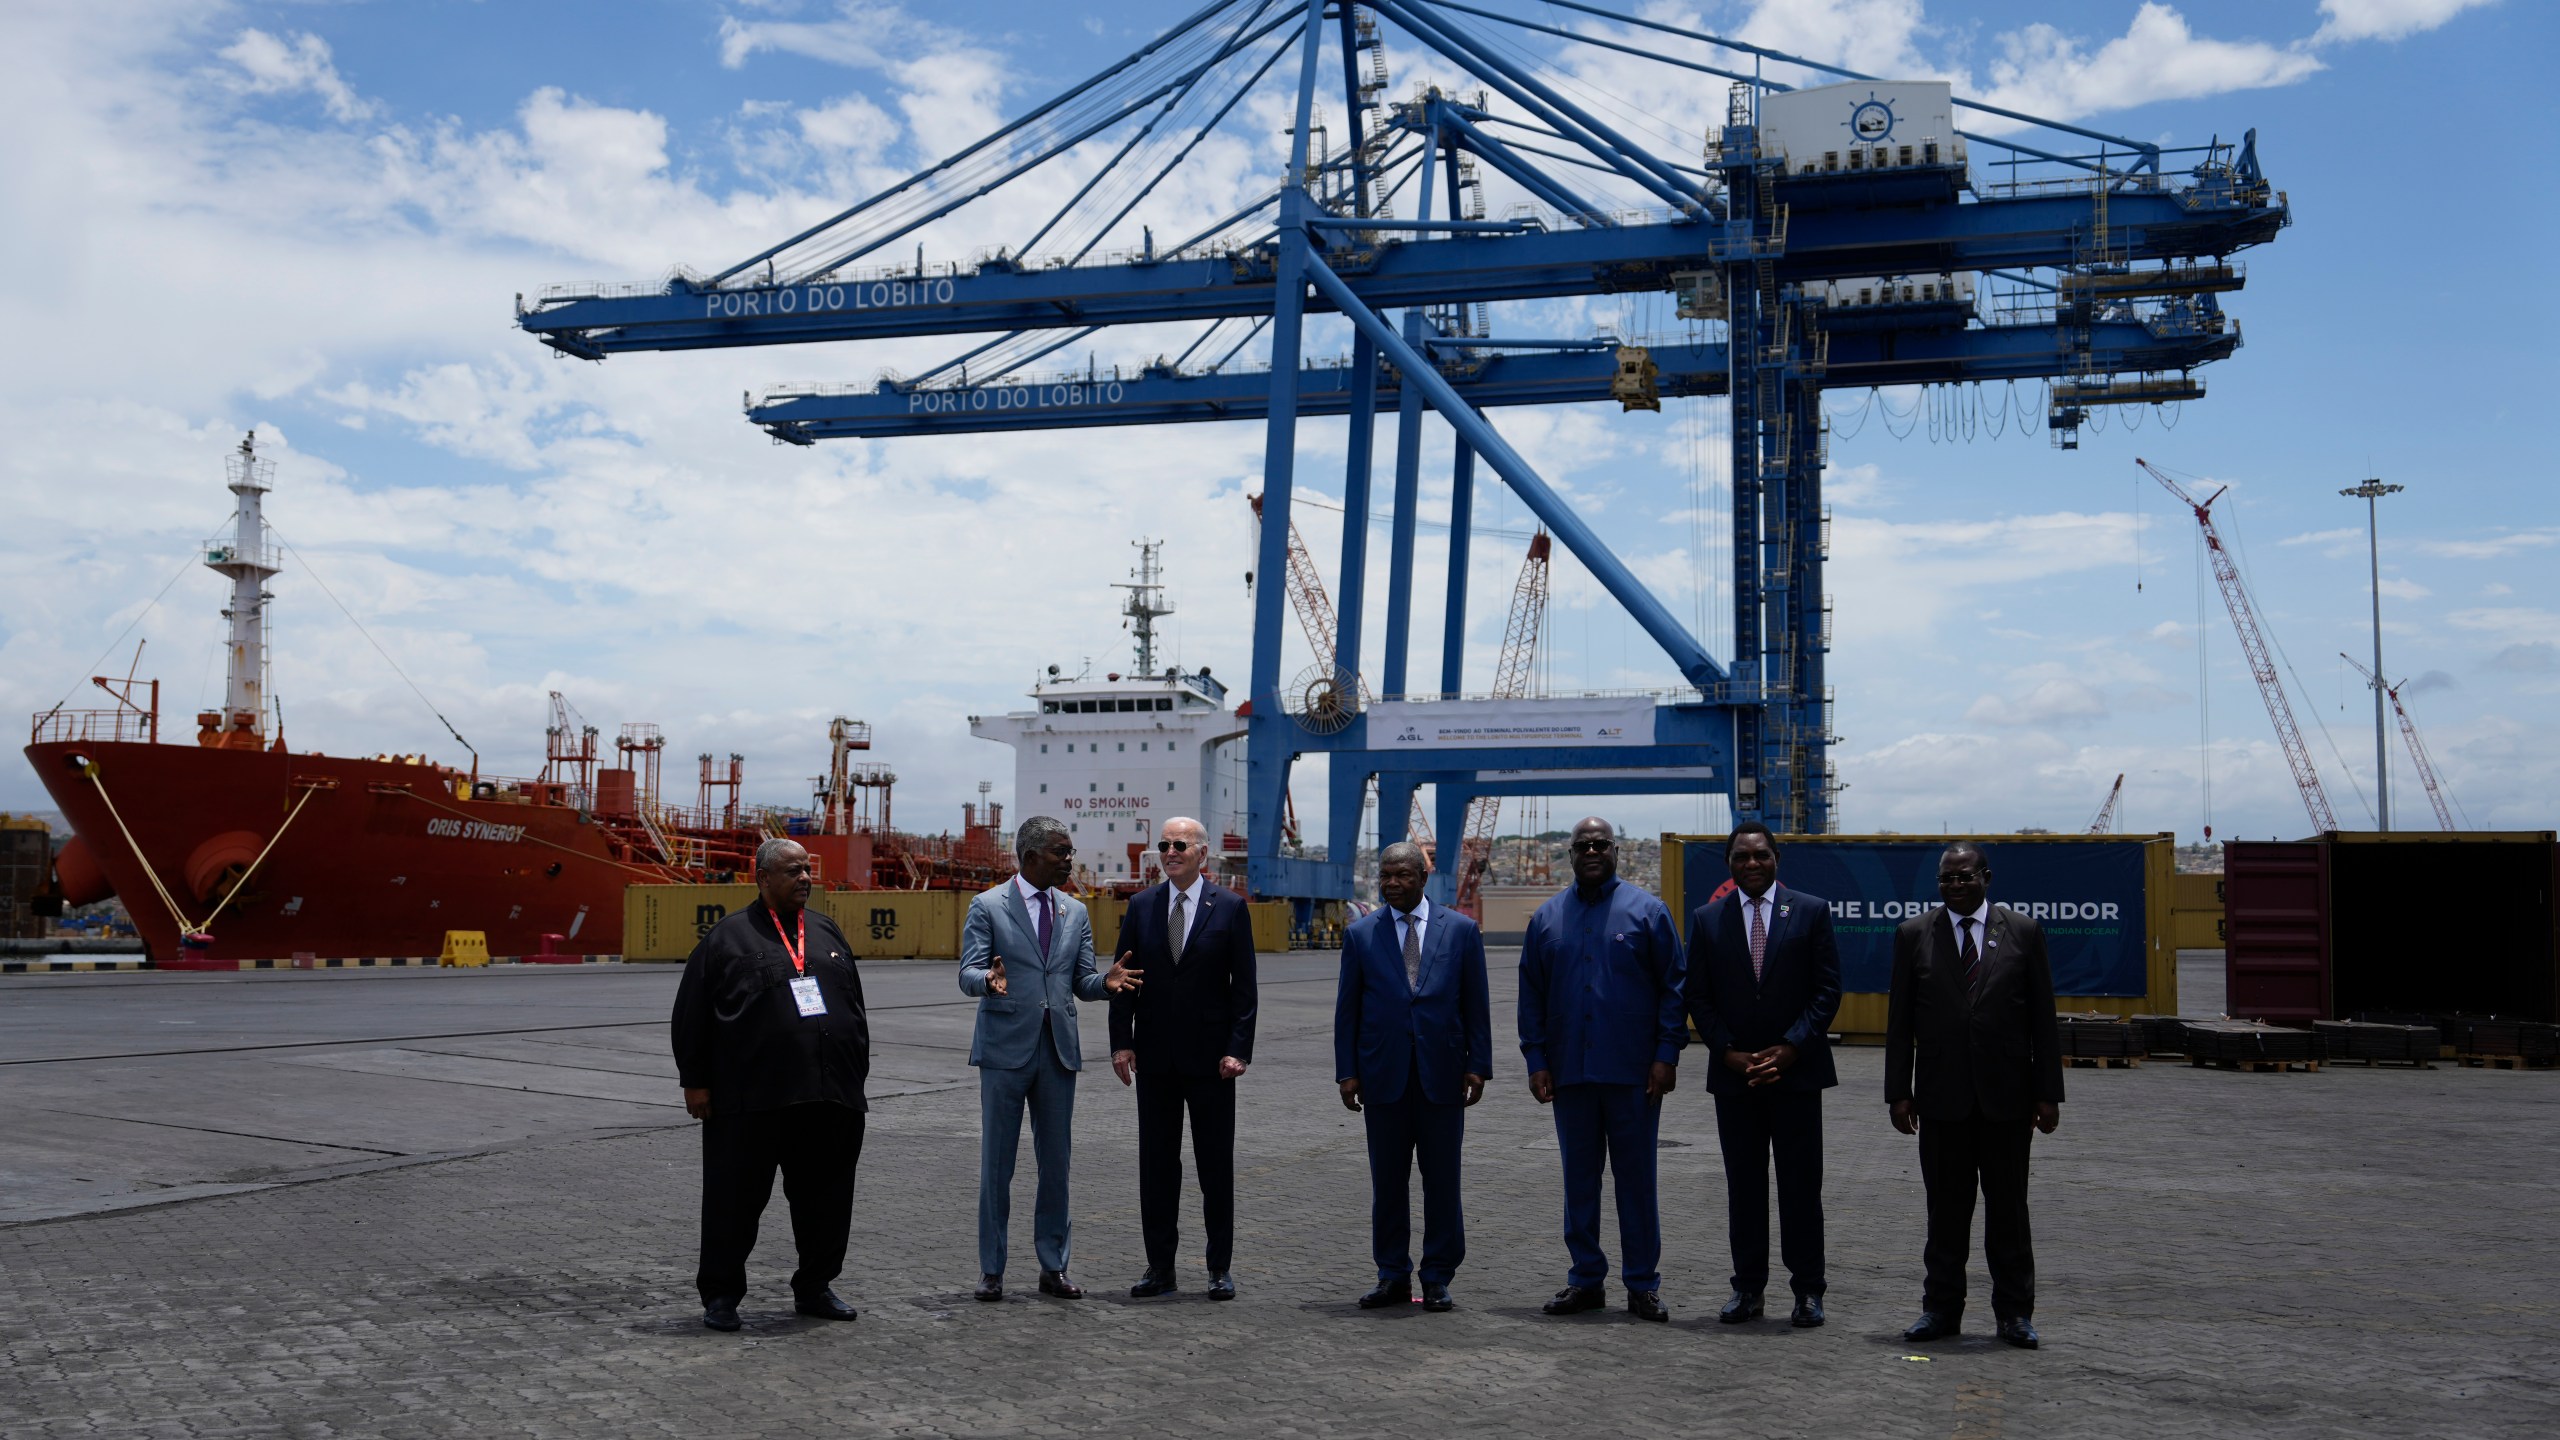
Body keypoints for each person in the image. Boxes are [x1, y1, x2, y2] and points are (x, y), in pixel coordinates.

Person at [670, 837, 869, 1332]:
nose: (805, 878)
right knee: (733, 1202)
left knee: (825, 1200)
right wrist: (695, 1084)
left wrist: (855, 1071)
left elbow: (855, 1008)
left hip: (828, 1098)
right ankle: (721, 1296)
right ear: (762, 879)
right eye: (792, 871)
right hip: (751, 1101)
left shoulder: (826, 931)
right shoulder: (726, 939)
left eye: (807, 870)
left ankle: (815, 1286)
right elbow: (690, 1015)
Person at [1885, 841, 2066, 1349]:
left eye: (1965, 876)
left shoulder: (2024, 933)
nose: (1956, 885)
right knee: (1946, 1214)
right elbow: (1899, 1023)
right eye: (1947, 879)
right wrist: (1898, 1092)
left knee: (2008, 1212)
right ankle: (1940, 1310)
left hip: (2008, 1102)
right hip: (1941, 1103)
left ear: (1986, 877)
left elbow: (2042, 1022)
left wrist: (2048, 1093)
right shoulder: (1914, 935)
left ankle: (2014, 1315)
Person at [958, 817, 1136, 1302]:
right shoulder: (988, 906)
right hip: (1003, 1051)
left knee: (1056, 1164)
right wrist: (985, 982)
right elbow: (968, 971)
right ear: (1032, 856)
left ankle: (1053, 1267)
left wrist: (1106, 984)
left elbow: (1081, 979)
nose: (1069, 860)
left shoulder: (1075, 912)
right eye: (1061, 852)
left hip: (1057, 1052)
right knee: (998, 1165)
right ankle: (991, 1269)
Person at [1518, 816, 1686, 1322]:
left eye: (1600, 844)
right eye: (1582, 845)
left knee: (1637, 1182)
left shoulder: (1648, 912)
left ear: (1616, 851)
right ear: (1570, 854)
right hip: (1570, 1074)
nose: (1591, 851)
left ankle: (1641, 1284)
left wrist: (1666, 1056)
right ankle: (1586, 1279)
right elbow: (1531, 996)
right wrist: (1536, 1059)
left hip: (1634, 1076)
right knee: (1579, 1182)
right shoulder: (1546, 920)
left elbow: (1674, 988)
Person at [1684, 820, 1842, 1328]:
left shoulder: (1812, 912)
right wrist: (1727, 1051)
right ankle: (1747, 1289)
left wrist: (1792, 1048)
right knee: (1744, 1189)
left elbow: (1826, 991)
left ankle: (1808, 1292)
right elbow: (1699, 996)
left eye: (1761, 856)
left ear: (1777, 859)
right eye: (1741, 857)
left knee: (1801, 1189)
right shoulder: (1708, 920)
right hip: (1736, 1079)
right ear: (1728, 864)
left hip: (1796, 1076)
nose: (1752, 864)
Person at [1334, 841, 1491, 1313]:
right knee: (1388, 1183)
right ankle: (1392, 1274)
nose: (1393, 883)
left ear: (1424, 878)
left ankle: (1438, 1275)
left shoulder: (1461, 930)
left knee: (1442, 1181)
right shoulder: (1361, 934)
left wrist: (1478, 1065)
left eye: (1403, 875)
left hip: (1442, 1076)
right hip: (1382, 1079)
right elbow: (1349, 1011)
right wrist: (1347, 1072)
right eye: (1386, 876)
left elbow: (1476, 1006)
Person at [1107, 816, 1258, 1301]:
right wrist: (1121, 1042)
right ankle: (1160, 1268)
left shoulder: (1231, 908)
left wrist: (1238, 1050)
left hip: (1213, 1063)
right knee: (1157, 1166)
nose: (1170, 852)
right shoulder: (1141, 906)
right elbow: (1122, 980)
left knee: (1214, 1166)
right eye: (1165, 845)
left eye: (1180, 845)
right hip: (1154, 1060)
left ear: (1202, 854)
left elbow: (1245, 991)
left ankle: (1219, 1269)